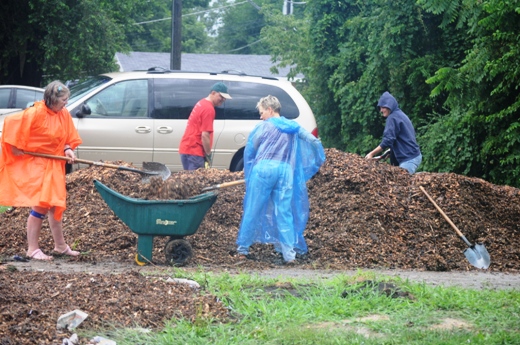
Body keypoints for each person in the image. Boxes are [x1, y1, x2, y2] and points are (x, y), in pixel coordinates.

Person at [236, 95, 325, 264]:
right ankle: (289, 255)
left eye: (262, 112)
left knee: (253, 209)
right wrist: (318, 159)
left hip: (263, 170)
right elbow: (313, 140)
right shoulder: (293, 127)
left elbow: (250, 151)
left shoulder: (262, 128)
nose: (260, 116)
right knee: (284, 212)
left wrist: (250, 171)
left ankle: (242, 249)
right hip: (285, 173)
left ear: (270, 110)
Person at [0, 81, 83, 261]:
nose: (66, 103)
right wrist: (15, 147)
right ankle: (32, 249)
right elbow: (11, 123)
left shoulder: (63, 114)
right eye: (63, 100)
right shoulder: (35, 113)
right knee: (42, 205)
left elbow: (67, 136)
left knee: (55, 205)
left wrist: (68, 149)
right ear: (52, 100)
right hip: (39, 166)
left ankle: (60, 246)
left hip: (56, 164)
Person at [365, 91, 422, 174]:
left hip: (409, 158)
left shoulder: (392, 118)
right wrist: (390, 151)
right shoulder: (399, 114)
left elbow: (388, 140)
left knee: (401, 184)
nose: (381, 110)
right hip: (413, 156)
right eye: (380, 108)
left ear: (389, 106)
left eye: (383, 107)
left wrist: (371, 154)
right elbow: (401, 137)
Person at [179, 82, 232, 170]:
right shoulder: (208, 109)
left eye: (225, 98)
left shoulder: (201, 103)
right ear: (213, 93)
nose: (223, 100)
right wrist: (208, 154)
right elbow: (205, 135)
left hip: (186, 149)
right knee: (197, 182)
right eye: (221, 96)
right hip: (195, 152)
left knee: (189, 181)